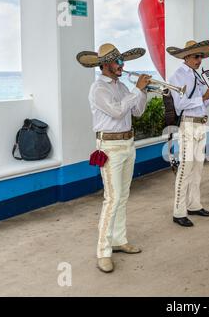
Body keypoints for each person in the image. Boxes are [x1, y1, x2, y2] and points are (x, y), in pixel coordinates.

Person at [77, 44, 150, 273]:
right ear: (105, 64)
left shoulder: (122, 86)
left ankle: (119, 240)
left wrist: (143, 91)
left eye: (122, 61)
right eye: (117, 62)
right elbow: (118, 111)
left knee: (124, 195)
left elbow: (136, 111)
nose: (122, 66)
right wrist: (137, 89)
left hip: (127, 144)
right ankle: (103, 251)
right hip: (109, 147)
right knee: (112, 198)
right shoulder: (98, 88)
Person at [167, 40, 209, 227]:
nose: (200, 59)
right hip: (188, 126)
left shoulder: (197, 76)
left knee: (198, 169)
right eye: (196, 56)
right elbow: (180, 105)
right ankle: (178, 211)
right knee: (185, 169)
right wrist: (203, 97)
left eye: (201, 56)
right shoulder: (177, 76)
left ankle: (194, 204)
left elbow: (202, 105)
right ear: (186, 56)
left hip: (200, 124)